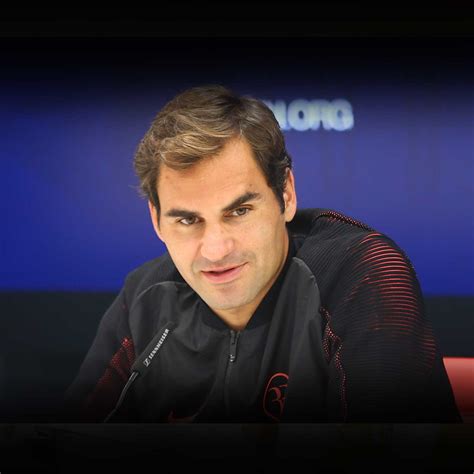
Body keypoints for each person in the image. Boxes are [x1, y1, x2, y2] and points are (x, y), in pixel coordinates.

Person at [64, 84, 460, 423]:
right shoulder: (145, 295)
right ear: (156, 220)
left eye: (239, 211)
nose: (216, 250)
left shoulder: (365, 271)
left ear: (285, 195)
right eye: (187, 220)